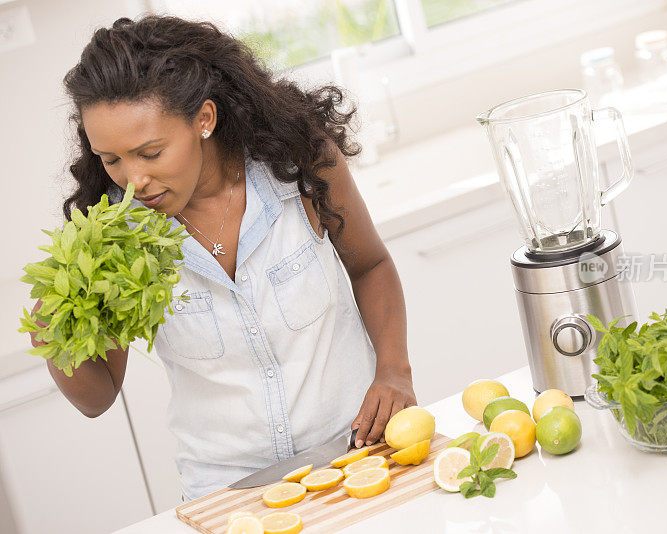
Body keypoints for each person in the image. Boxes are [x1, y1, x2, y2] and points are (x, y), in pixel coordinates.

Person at [28, 14, 416, 502]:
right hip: (228, 494)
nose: (133, 180)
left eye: (150, 152)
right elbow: (97, 398)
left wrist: (394, 371)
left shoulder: (298, 163)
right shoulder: (114, 241)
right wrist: (53, 330)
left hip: (357, 450)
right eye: (111, 160)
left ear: (204, 119)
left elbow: (370, 266)